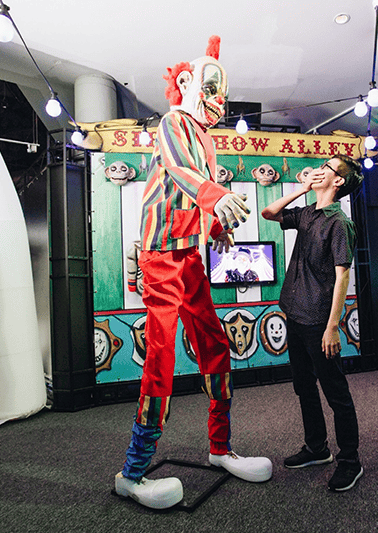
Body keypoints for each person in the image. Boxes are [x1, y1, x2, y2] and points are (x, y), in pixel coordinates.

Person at [115, 36, 272, 510]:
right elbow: (180, 172)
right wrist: (216, 199)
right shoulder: (173, 123)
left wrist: (214, 227)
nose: (218, 101)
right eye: (210, 88)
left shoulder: (205, 138)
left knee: (215, 348)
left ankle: (220, 447)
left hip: (189, 256)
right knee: (161, 359)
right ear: (185, 83)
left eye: (221, 92)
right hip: (162, 255)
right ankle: (133, 470)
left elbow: (191, 190)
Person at [261, 154, 364, 492]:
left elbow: (343, 275)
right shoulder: (307, 212)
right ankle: (317, 448)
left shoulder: (339, 222)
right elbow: (270, 213)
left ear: (338, 182)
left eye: (327, 168)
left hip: (320, 321)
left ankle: (350, 461)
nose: (320, 170)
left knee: (336, 394)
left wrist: (333, 325)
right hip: (294, 313)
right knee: (304, 386)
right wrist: (301, 187)